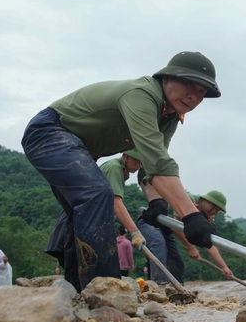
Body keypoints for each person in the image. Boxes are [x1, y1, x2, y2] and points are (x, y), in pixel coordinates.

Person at [21, 51, 222, 292]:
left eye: (201, 92)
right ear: (167, 77)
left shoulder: (168, 117)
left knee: (80, 214)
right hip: (50, 132)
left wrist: (156, 202)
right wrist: (191, 215)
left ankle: (77, 289)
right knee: (98, 193)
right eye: (189, 85)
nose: (194, 96)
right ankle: (104, 288)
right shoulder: (142, 95)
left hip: (81, 149)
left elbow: (151, 164)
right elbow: (159, 163)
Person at [172, 190, 234, 279]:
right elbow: (175, 225)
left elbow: (209, 244)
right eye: (216, 209)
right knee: (159, 247)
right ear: (208, 201)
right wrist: (191, 248)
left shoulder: (203, 218)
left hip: (166, 231)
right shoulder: (188, 199)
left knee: (177, 263)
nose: (216, 213)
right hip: (154, 222)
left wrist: (224, 267)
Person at [99, 149, 146, 250]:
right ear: (125, 156)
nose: (138, 165)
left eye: (140, 162)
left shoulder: (119, 169)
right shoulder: (115, 168)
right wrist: (135, 232)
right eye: (135, 160)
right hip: (87, 219)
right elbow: (116, 204)